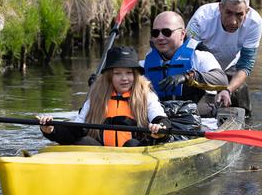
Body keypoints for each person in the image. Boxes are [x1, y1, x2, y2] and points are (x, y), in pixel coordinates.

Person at [37, 46, 169, 147]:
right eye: (117, 73)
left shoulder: (146, 95)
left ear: (135, 75)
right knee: (84, 142)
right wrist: (51, 129)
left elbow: (160, 118)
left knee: (132, 144)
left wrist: (160, 128)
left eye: (129, 73)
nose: (124, 78)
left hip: (135, 153)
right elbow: (76, 130)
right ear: (109, 76)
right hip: (103, 156)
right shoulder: (96, 96)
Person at [186, 0, 262, 111]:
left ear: (247, 12)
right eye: (228, 13)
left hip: (231, 66)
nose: (233, 22)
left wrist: (227, 89)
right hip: (201, 68)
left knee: (240, 101)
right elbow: (187, 56)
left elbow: (245, 65)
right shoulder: (201, 19)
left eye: (239, 15)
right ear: (220, 8)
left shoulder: (255, 23)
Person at [143, 11, 228, 117]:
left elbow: (222, 80)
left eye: (166, 32)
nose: (160, 37)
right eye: (155, 33)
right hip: (158, 120)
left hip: (195, 119)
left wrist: (187, 77)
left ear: (182, 34)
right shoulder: (146, 62)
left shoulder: (199, 55)